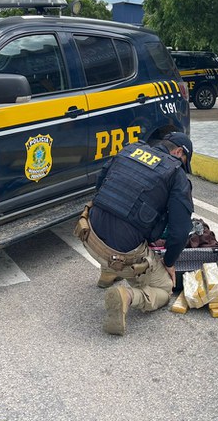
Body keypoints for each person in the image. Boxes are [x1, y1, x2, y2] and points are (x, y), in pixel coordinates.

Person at [74, 132, 194, 335]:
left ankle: (108, 272)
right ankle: (128, 296)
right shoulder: (175, 173)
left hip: (88, 233)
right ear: (179, 152)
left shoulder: (130, 149)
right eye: (183, 161)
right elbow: (180, 230)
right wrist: (170, 263)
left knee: (118, 222)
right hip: (121, 250)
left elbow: (101, 183)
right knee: (164, 289)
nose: (182, 167)